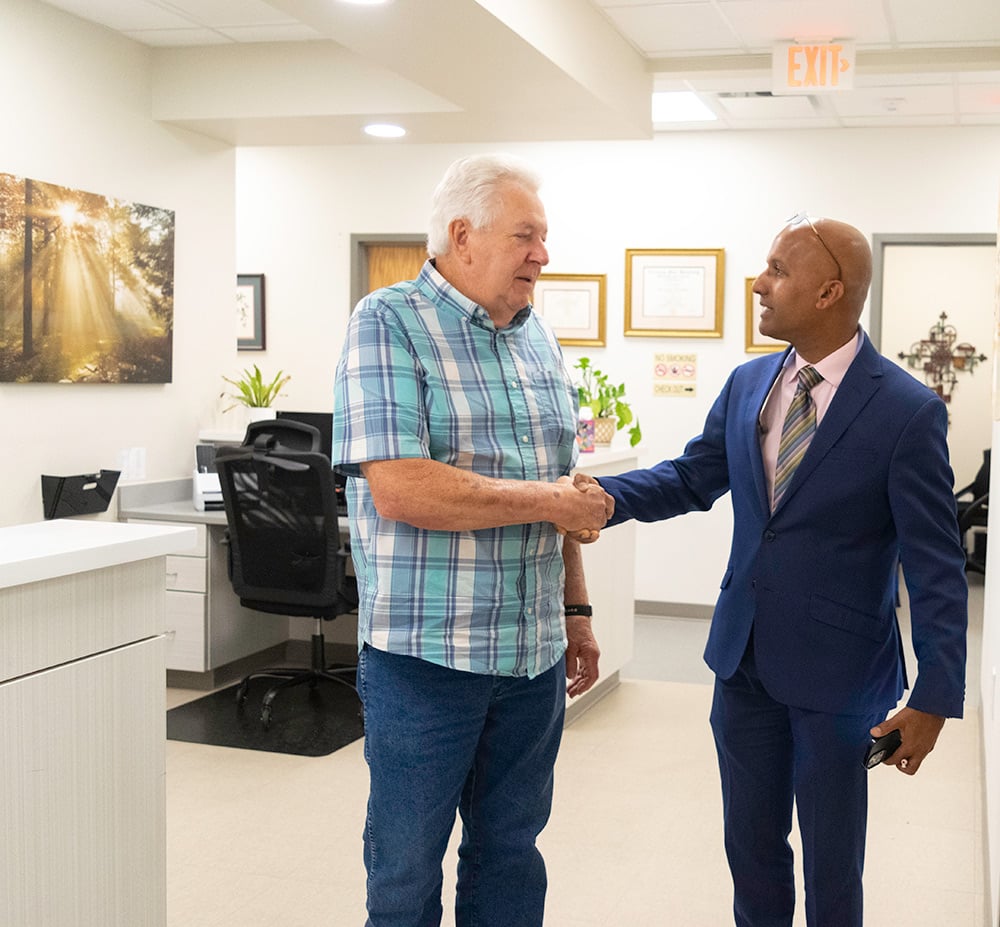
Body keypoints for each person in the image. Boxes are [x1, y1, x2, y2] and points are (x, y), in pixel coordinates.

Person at [578, 215, 968, 926]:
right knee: (750, 847)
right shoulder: (751, 382)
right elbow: (694, 476)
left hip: (841, 674)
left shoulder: (907, 411)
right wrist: (607, 497)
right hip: (743, 659)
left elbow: (936, 563)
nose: (759, 283)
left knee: (831, 863)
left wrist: (935, 694)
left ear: (828, 292)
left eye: (778, 270)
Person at [332, 153, 613, 926]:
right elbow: (403, 487)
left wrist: (577, 609)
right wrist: (553, 497)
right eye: (526, 235)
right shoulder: (387, 323)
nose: (543, 255)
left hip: (530, 659)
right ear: (462, 235)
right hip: (427, 662)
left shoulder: (538, 343)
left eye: (544, 237)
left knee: (511, 856)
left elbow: (561, 493)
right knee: (406, 869)